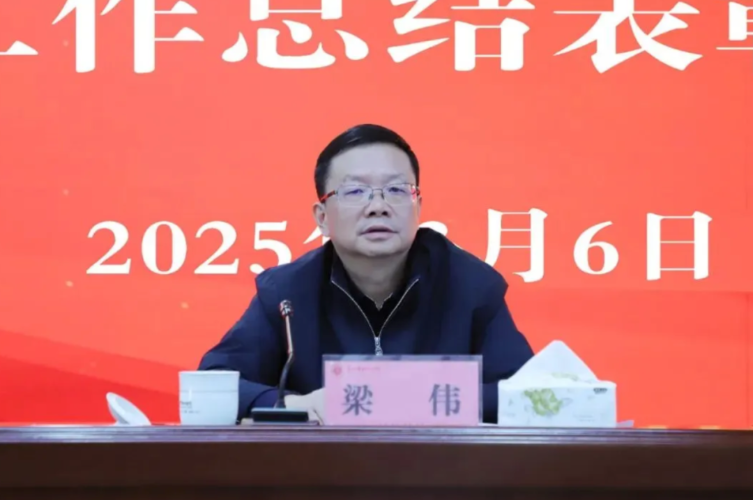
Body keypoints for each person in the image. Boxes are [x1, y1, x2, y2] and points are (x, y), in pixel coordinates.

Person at [198, 123, 534, 423]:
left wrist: (406, 399)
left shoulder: (471, 285)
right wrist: (293, 405)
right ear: (322, 217)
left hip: (440, 468)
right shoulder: (287, 292)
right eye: (355, 192)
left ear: (418, 207)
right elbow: (211, 385)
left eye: (397, 190)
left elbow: (527, 395)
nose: (378, 206)